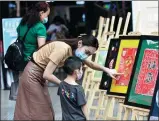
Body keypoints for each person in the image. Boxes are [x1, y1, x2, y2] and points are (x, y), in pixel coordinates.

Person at [14, 34, 122, 120]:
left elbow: (91, 64)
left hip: (38, 75)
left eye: (89, 54)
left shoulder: (72, 51)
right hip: (32, 75)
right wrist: (65, 84)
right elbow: (47, 74)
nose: (86, 56)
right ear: (80, 43)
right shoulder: (63, 49)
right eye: (87, 52)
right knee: (41, 111)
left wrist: (107, 70)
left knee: (45, 110)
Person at [17, 2, 50, 69]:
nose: (46, 18)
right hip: (32, 62)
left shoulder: (23, 23)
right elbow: (41, 48)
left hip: (21, 59)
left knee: (21, 78)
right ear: (41, 13)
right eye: (46, 15)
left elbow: (19, 34)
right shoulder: (40, 27)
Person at [58, 56, 88, 120]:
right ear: (76, 71)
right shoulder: (78, 88)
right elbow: (83, 106)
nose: (82, 71)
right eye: (81, 69)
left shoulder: (61, 85)